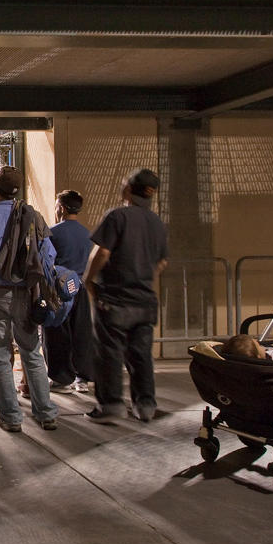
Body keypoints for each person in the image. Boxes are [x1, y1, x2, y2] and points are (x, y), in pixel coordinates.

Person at [0, 166, 60, 432]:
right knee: (32, 352)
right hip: (27, 294)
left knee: (0, 355)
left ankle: (10, 417)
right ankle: (46, 413)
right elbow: (48, 255)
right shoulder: (34, 216)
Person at [84, 169, 168, 425]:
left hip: (115, 298)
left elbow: (103, 252)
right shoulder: (156, 222)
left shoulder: (117, 216)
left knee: (110, 352)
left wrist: (89, 279)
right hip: (144, 299)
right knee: (141, 353)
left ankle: (111, 405)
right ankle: (145, 405)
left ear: (129, 190)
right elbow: (162, 261)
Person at [43, 190, 95, 394]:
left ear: (61, 208)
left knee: (57, 332)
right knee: (81, 332)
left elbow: (46, 261)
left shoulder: (53, 232)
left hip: (60, 289)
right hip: (80, 286)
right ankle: (82, 377)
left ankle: (61, 378)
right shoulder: (87, 233)